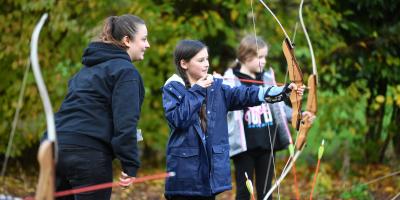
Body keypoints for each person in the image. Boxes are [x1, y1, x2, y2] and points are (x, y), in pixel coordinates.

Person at [162, 40, 304, 200]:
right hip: (184, 175)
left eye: (207, 59)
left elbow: (247, 94)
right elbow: (178, 119)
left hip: (209, 177)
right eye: (201, 60)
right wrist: (198, 91)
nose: (206, 64)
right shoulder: (174, 88)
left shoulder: (217, 88)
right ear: (184, 63)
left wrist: (284, 91)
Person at [52, 14, 150, 199]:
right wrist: (130, 164)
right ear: (127, 40)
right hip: (88, 156)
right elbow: (126, 123)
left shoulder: (85, 72)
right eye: (143, 39)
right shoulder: (126, 72)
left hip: (55, 149)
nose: (147, 45)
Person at [224, 35, 301, 200]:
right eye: (260, 57)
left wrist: (298, 115)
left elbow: (279, 107)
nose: (264, 61)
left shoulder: (266, 78)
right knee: (244, 192)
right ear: (245, 57)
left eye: (265, 57)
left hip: (267, 144)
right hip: (243, 147)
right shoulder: (230, 80)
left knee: (266, 191)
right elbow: (224, 106)